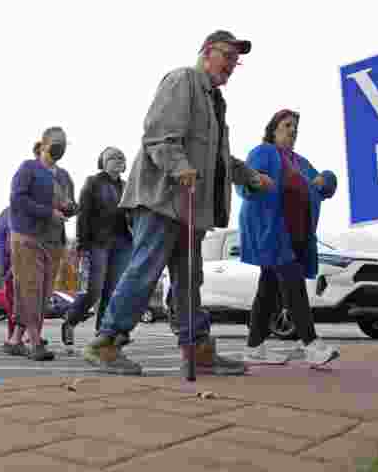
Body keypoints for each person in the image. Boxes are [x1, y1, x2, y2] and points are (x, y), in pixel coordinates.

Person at [85, 29, 274, 376]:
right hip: (163, 199)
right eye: (227, 55)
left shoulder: (215, 101)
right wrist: (181, 167)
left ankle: (197, 348)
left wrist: (249, 175)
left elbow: (218, 159)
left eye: (237, 59)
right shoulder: (183, 80)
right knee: (145, 270)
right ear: (206, 52)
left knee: (190, 280)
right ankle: (107, 343)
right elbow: (158, 136)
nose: (232, 64)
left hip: (192, 208)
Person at [238, 109, 341, 367]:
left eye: (295, 127)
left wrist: (326, 178)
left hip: (296, 234)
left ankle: (254, 349)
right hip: (271, 230)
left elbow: (324, 186)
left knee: (268, 290)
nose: (292, 130)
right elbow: (245, 181)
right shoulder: (263, 152)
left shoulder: (300, 161)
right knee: (293, 283)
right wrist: (255, 183)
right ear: (273, 130)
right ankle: (312, 345)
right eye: (287, 125)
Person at [5, 127, 77, 360]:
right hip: (27, 237)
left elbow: (70, 203)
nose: (61, 147)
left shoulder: (64, 176)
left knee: (42, 293)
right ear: (43, 144)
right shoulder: (28, 168)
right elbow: (17, 200)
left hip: (54, 240)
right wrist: (48, 212)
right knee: (31, 289)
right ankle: (35, 342)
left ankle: (15, 339)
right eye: (57, 142)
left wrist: (70, 208)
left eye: (64, 143)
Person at [62, 146, 133, 346]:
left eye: (121, 157)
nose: (118, 159)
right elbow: (83, 214)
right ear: (102, 162)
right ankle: (70, 320)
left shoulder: (127, 186)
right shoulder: (93, 182)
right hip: (97, 243)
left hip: (122, 243)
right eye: (113, 157)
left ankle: (104, 336)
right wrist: (82, 244)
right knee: (93, 291)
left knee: (112, 292)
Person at [0, 206, 17, 339]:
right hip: (13, 266)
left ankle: (32, 334)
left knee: (34, 302)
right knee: (14, 302)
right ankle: (14, 337)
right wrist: (0, 267)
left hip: (34, 263)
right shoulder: (7, 213)